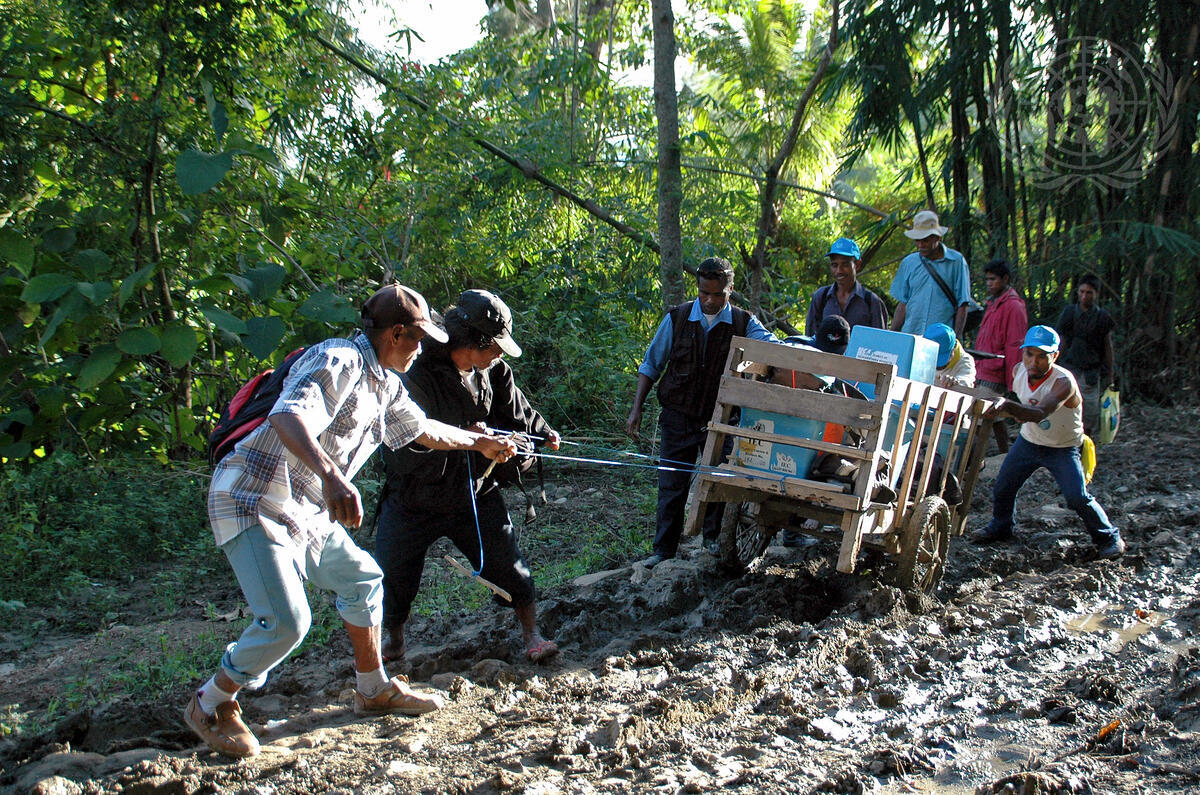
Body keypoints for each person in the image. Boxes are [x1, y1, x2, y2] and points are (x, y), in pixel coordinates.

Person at [185, 284, 519, 759]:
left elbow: (421, 429)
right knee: (286, 621)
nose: (423, 349)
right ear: (396, 333)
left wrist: (478, 443)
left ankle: (373, 688)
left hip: (305, 509)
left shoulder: (385, 382)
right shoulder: (338, 359)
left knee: (363, 580)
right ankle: (211, 702)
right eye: (418, 338)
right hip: (254, 497)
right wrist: (334, 478)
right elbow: (288, 416)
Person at [375, 289, 561, 665]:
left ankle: (532, 634)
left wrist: (541, 435)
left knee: (511, 566)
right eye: (495, 346)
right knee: (392, 574)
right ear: (473, 342)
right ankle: (393, 640)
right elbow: (405, 445)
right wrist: (472, 438)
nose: (499, 355)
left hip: (474, 493)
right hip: (415, 496)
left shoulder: (496, 372)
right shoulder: (417, 372)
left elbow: (519, 415)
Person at [626, 257, 777, 567]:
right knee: (672, 483)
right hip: (678, 414)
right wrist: (636, 408)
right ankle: (664, 550)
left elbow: (771, 348)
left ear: (730, 291)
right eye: (703, 293)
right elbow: (652, 363)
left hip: (721, 418)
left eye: (717, 294)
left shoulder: (743, 323)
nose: (709, 301)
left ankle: (711, 540)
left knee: (717, 480)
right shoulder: (678, 318)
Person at [972, 326, 1125, 559]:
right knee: (1003, 486)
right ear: (1023, 353)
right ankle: (1001, 526)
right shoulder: (1018, 371)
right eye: (1029, 354)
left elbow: (1040, 412)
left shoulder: (1064, 383)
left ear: (1055, 356)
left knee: (1076, 497)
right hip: (1029, 441)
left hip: (1063, 448)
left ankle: (1109, 537)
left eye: (1042, 356)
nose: (1034, 362)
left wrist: (1006, 406)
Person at [889, 211, 972, 337]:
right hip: (911, 334)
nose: (920, 245)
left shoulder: (956, 262)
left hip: (941, 338)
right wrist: (892, 334)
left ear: (937, 237)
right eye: (917, 241)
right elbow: (903, 303)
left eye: (925, 241)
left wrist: (955, 339)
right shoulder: (909, 263)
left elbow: (963, 304)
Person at [973, 260, 1027, 451]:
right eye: (987, 279)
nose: (989, 283)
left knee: (978, 416)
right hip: (983, 367)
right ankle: (1006, 453)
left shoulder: (1014, 307)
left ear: (1005, 279)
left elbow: (1016, 346)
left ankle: (974, 458)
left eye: (993, 279)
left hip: (996, 370)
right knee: (992, 415)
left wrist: (1014, 382)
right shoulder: (993, 303)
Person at [1055, 274, 1115, 436]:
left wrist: (1109, 374)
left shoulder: (1103, 317)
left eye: (1089, 292)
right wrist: (1055, 366)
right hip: (1069, 368)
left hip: (1090, 372)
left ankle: (1084, 444)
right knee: (1066, 410)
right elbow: (1062, 341)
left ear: (1096, 294)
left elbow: (1107, 346)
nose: (1084, 296)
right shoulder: (1069, 313)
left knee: (1089, 412)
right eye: (1082, 292)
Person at [805, 237, 888, 335]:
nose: (839, 271)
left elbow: (879, 341)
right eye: (834, 265)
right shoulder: (821, 297)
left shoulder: (871, 302)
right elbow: (810, 337)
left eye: (845, 265)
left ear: (857, 265)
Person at [923, 322, 976, 390]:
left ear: (953, 349)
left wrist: (956, 382)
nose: (937, 366)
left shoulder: (965, 361)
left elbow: (966, 381)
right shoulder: (918, 349)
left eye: (941, 361)